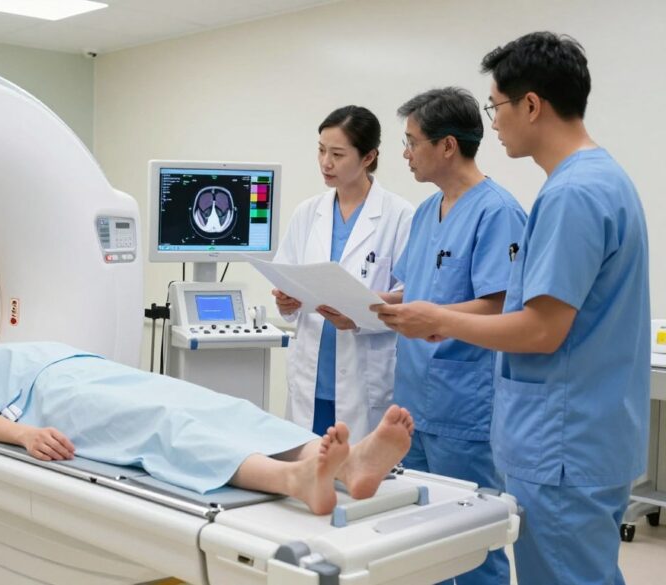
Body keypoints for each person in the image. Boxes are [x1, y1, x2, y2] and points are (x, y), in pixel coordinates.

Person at [374, 33, 650, 585]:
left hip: (564, 442)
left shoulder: (573, 194)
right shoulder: (596, 181)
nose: (492, 123)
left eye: (495, 106)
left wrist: (439, 319)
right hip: (580, 433)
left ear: (531, 104)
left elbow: (543, 329)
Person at [0, 311, 416, 515]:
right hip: (60, 399)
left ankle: (349, 468)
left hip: (94, 373)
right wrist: (25, 435)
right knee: (163, 426)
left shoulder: (14, 345)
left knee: (216, 404)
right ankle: (292, 478)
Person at [387, 87, 525, 585]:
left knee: (470, 541)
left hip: (463, 404)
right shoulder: (427, 211)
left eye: (411, 142)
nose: (405, 154)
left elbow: (502, 304)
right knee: (421, 536)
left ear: (447, 146)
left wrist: (433, 318)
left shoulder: (497, 211)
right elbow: (414, 290)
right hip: (413, 401)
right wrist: (369, 306)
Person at [273, 105, 414, 442]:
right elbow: (285, 276)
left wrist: (359, 315)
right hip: (312, 378)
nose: (326, 162)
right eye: (321, 150)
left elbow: (411, 298)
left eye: (337, 153)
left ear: (368, 157)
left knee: (359, 482)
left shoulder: (400, 216)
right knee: (308, 471)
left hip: (364, 378)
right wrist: (285, 300)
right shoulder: (308, 212)